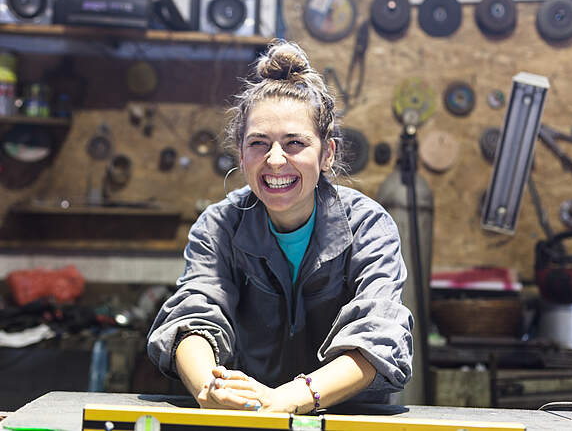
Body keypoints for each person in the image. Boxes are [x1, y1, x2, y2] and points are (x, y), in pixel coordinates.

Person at [147, 40, 413, 414]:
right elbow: (194, 315)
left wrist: (290, 398)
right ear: (240, 153)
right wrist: (209, 389)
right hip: (247, 417)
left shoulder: (368, 226)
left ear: (327, 153)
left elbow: (379, 333)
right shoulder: (219, 225)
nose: (275, 160)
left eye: (295, 143)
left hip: (345, 417)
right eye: (259, 143)